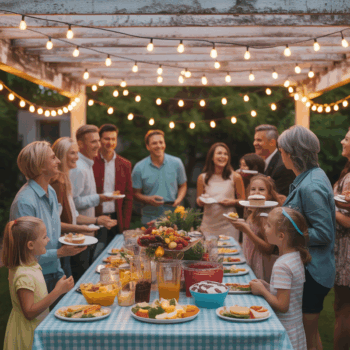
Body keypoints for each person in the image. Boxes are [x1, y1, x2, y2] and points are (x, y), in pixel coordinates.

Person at [278, 125, 335, 350]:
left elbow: (323, 233)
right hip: (312, 269)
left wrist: (287, 236)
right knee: (307, 333)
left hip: (314, 271)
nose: (280, 154)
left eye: (281, 150)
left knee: (307, 334)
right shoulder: (309, 178)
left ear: (290, 153)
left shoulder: (310, 186)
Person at [10, 141, 86, 293]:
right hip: (34, 277)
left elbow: (50, 232)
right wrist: (61, 252)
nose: (58, 161)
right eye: (53, 158)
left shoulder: (50, 191)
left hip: (55, 270)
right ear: (40, 166)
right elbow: (24, 253)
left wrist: (69, 241)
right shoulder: (25, 202)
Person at [2, 217, 74, 350]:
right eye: (44, 237)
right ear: (30, 245)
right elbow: (29, 312)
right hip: (26, 335)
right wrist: (57, 291)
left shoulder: (30, 265)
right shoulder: (24, 274)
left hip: (33, 327)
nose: (48, 240)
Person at [51, 137, 118, 280]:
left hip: (68, 242)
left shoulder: (65, 179)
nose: (77, 157)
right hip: (60, 245)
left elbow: (73, 215)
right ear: (61, 156)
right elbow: (54, 222)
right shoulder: (57, 183)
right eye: (72, 153)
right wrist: (84, 229)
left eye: (77, 153)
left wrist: (97, 220)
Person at [250, 207, 311, 350]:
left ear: (281, 236)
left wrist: (263, 292)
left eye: (269, 225)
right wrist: (267, 286)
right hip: (295, 327)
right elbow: (288, 290)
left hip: (285, 331)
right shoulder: (295, 256)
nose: (265, 227)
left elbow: (283, 306)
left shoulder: (282, 265)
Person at [70, 125, 115, 265]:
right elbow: (73, 204)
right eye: (93, 142)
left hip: (87, 234)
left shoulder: (88, 164)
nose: (98, 145)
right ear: (80, 144)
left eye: (98, 141)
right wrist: (99, 198)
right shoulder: (79, 168)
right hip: (78, 236)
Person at [229, 175, 283, 281]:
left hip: (260, 264)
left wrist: (247, 230)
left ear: (269, 195)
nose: (256, 192)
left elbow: (268, 248)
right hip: (250, 259)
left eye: (261, 190)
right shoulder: (253, 212)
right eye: (253, 189)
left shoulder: (264, 216)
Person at [132, 130, 187, 224]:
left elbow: (183, 185)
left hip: (172, 215)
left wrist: (179, 199)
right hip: (149, 217)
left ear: (164, 144)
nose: (158, 146)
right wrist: (148, 199)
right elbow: (135, 193)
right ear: (148, 146)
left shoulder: (177, 163)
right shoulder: (139, 167)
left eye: (161, 142)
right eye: (154, 143)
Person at [93, 124, 133, 245]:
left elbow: (128, 197)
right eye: (106, 139)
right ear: (100, 140)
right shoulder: (92, 162)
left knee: (114, 253)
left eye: (113, 139)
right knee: (94, 255)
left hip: (116, 219)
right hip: (96, 217)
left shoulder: (125, 164)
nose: (110, 142)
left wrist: (125, 225)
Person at [196, 142, 245, 241]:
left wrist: (232, 202)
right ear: (211, 157)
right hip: (208, 226)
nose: (223, 156)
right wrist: (200, 201)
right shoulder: (202, 178)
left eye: (225, 154)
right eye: (219, 153)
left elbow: (243, 201)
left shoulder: (235, 177)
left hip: (229, 226)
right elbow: (198, 200)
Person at [333, 128, 350, 349]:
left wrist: (327, 207)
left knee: (343, 309)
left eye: (347, 139)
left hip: (347, 251)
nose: (342, 141)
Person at [254, 124, 295, 196]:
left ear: (272, 142)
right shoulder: (258, 164)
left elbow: (281, 198)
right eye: (255, 140)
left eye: (259, 140)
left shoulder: (283, 166)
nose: (255, 143)